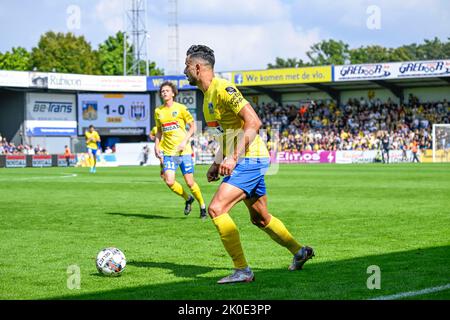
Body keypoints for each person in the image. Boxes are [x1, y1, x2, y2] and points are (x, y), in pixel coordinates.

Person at [184, 45, 314, 284]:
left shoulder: (223, 88)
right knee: (260, 218)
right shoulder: (206, 100)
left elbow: (253, 122)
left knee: (216, 209)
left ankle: (242, 270)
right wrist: (216, 162)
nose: (185, 71)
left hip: (249, 158)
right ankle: (299, 252)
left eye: (187, 66)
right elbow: (226, 135)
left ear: (198, 67)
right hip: (246, 158)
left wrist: (233, 157)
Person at [154, 81, 207, 219]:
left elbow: (193, 126)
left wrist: (185, 141)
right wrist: (156, 145)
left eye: (166, 90)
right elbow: (159, 131)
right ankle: (188, 198)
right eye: (162, 91)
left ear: (173, 93)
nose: (164, 93)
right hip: (169, 152)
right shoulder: (158, 111)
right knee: (169, 181)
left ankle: (202, 206)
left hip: (184, 151)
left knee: (190, 182)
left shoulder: (181, 108)